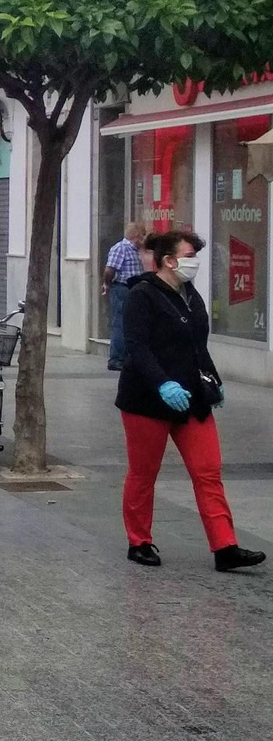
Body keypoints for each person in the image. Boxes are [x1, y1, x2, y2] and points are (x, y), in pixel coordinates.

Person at [116, 231, 264, 571]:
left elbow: (198, 345)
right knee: (143, 473)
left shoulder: (190, 295)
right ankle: (139, 541)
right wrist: (163, 384)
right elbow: (137, 349)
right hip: (147, 401)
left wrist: (214, 382)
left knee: (208, 471)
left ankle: (225, 546)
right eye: (189, 254)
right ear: (168, 260)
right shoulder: (142, 295)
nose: (194, 261)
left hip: (192, 401)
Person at [102, 221, 146, 372]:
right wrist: (107, 284)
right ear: (137, 236)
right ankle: (116, 358)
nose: (145, 239)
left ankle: (127, 356)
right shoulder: (121, 248)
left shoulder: (134, 250)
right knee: (120, 323)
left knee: (130, 324)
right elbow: (110, 269)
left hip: (133, 289)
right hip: (122, 288)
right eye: (143, 235)